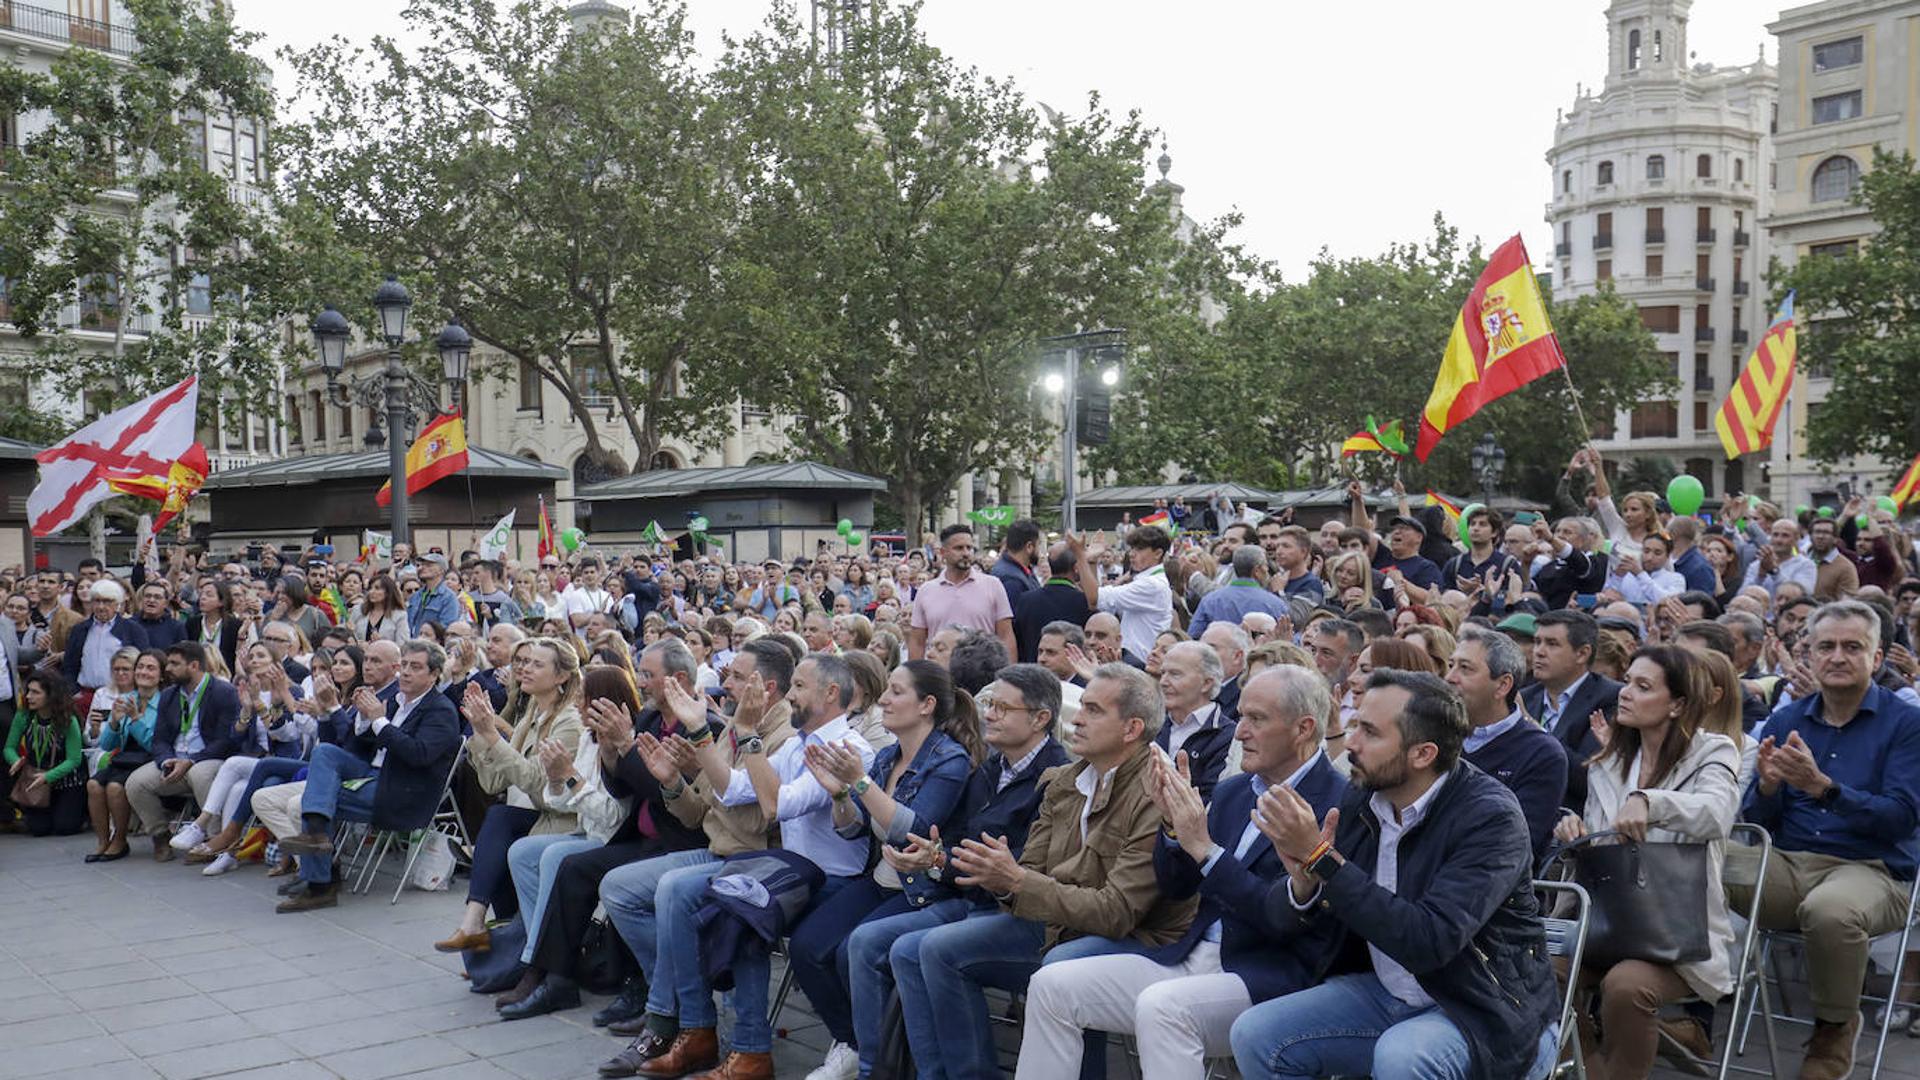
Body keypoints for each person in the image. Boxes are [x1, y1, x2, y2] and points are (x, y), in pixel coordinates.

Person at [1015, 666, 1347, 1080]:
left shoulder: (1339, 804)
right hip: (1190, 953)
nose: (1239, 732)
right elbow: (1176, 887)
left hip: (1270, 972)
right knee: (1052, 986)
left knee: (1164, 1008)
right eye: (1240, 715)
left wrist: (1205, 851)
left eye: (1256, 719)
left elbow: (1281, 920)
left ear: (1303, 729)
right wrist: (1173, 829)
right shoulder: (1234, 791)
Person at [1229, 669, 1560, 1080]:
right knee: (1256, 1033)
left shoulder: (1490, 817)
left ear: (1422, 754)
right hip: (1387, 993)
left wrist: (1321, 858)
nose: (1349, 743)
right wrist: (1303, 881)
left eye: (1369, 732)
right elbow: (1284, 919)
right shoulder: (1361, 798)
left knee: (1402, 1057)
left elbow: (1428, 942)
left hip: (1482, 1010)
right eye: (1354, 726)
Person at [891, 664, 1196, 1080]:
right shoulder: (1064, 781)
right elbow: (1027, 877)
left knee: (1062, 965)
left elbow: (1117, 913)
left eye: (1093, 709)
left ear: (1131, 729)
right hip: (1058, 922)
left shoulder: (1153, 793)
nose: (1077, 718)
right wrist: (996, 877)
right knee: (931, 949)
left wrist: (1015, 880)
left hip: (1135, 939)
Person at [603, 652, 876, 1080]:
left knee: (744, 906)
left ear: (831, 693)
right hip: (786, 872)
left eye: (800, 686)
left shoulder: (848, 748)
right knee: (678, 892)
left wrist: (746, 734)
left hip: (831, 883)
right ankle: (696, 1030)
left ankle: (751, 1052)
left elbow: (775, 806)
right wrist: (698, 730)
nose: (790, 694)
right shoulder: (801, 744)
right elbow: (731, 790)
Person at [1734, 601, 1920, 1080]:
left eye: (1852, 647)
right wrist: (1770, 787)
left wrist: (1825, 789)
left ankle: (1835, 1028)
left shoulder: (1906, 724)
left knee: (1830, 911)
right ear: (1809, 656)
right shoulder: (1786, 718)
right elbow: (1758, 819)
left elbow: (1900, 819)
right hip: (1789, 862)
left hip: (1873, 869)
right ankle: (1689, 1007)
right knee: (1697, 861)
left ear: (1876, 659)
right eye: (1826, 647)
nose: (1837, 656)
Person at [594, 640, 797, 1075]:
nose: (725, 683)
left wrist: (706, 762)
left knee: (674, 892)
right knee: (618, 887)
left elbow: (755, 825)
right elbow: (698, 813)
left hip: (755, 861)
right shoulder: (727, 730)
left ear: (769, 687)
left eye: (739, 676)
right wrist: (672, 782)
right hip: (715, 850)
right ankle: (686, 1004)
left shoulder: (783, 738)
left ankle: (681, 1024)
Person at [1554, 643, 1740, 1079]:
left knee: (1626, 985)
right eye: (1627, 682)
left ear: (1677, 704)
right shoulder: (1609, 762)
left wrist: (1650, 801)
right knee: (1539, 967)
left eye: (1642, 686)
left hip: (1676, 929)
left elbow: (1717, 813)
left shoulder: (1713, 751)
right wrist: (1578, 837)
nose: (1625, 693)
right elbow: (1603, 852)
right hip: (1612, 921)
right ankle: (1590, 1067)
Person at [787, 660, 981, 1080]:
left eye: (896, 691)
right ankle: (854, 1042)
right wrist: (839, 796)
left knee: (853, 950)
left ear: (927, 704)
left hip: (921, 890)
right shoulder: (889, 755)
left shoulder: (950, 760)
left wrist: (858, 783)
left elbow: (911, 832)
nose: (884, 699)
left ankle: (876, 1067)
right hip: (880, 880)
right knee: (805, 946)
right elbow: (854, 829)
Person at [253, 638, 463, 912]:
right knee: (326, 752)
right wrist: (362, 718)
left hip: (402, 788)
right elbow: (351, 744)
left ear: (434, 674)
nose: (407, 672)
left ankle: (320, 882)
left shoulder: (441, 709)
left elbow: (418, 755)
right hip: (373, 773)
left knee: (310, 801)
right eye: (406, 666)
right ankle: (317, 843)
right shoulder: (395, 699)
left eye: (417, 667)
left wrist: (378, 721)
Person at [438, 637, 585, 950]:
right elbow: (493, 783)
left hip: (564, 819)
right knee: (499, 824)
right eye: (525, 662)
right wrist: (480, 733)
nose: (525, 669)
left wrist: (492, 734)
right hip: (537, 813)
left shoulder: (569, 721)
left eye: (536, 664)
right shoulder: (533, 710)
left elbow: (535, 780)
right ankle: (497, 936)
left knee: (501, 825)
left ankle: (486, 929)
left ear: (561, 677)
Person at [1447, 625, 1568, 861]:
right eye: (1451, 665)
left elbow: (1516, 846)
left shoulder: (1541, 754)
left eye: (1465, 668)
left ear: (1502, 685)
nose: (1450, 677)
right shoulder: (1435, 736)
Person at [124, 643, 245, 859]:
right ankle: (160, 836)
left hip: (209, 758)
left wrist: (191, 761)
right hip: (175, 760)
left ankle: (213, 840)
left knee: (201, 774)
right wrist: (165, 761)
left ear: (194, 665)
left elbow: (225, 741)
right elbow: (160, 739)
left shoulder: (222, 692)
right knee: (136, 782)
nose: (168, 668)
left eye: (174, 663)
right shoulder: (170, 695)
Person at [1520, 610, 1622, 813]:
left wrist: (1531, 728)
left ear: (1582, 653)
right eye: (1537, 641)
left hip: (1574, 824)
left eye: (1552, 644)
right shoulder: (1525, 697)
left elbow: (1588, 777)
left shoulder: (1611, 698)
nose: (1538, 651)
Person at [85, 648, 166, 859]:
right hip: (125, 756)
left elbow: (154, 744)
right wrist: (113, 722)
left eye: (150, 668)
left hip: (148, 758)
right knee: (93, 785)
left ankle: (120, 840)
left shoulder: (165, 702)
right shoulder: (127, 697)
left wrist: (136, 719)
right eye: (140, 667)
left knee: (114, 788)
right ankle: (103, 840)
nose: (143, 672)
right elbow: (107, 744)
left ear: (161, 675)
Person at [908, 524, 1018, 664]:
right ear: (943, 552)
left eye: (969, 548)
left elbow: (1006, 636)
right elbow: (917, 641)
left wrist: (1008, 676)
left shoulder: (993, 585)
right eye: (959, 548)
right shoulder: (926, 591)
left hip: (982, 673)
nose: (966, 553)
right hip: (939, 676)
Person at [5, 671, 87, 835]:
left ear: (51, 695)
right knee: (39, 829)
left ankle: (82, 810)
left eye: (35, 692)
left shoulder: (67, 719)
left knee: (65, 827)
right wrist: (14, 760)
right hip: (36, 779)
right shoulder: (24, 716)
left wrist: (48, 777)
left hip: (66, 779)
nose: (28, 696)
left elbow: (74, 759)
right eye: (28, 691)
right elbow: (9, 748)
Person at [1157, 641, 1236, 801]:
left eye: (1175, 674)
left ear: (1206, 683)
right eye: (1162, 673)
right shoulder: (1151, 727)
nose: (1163, 682)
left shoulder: (1228, 736)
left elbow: (1212, 800)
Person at [1096, 525, 1175, 664]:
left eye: (1139, 549)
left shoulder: (1152, 585)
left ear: (1157, 553)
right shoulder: (1147, 580)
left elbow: (1094, 598)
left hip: (1141, 665)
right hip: (1135, 663)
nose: (1132, 553)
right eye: (1132, 548)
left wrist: (1086, 558)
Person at [63, 579, 150, 699]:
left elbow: (143, 663)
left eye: (107, 601)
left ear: (117, 604)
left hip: (120, 696)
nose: (101, 606)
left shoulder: (133, 630)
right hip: (85, 696)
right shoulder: (80, 630)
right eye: (97, 601)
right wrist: (73, 692)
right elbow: (70, 665)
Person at [1012, 541, 1097, 663]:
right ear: (1076, 568)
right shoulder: (1084, 602)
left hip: (1033, 673)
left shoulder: (1025, 600)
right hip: (1073, 673)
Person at [1189, 545, 1291, 641]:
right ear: (1256, 571)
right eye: (1265, 566)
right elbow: (1286, 640)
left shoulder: (1210, 600)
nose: (1267, 570)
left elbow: (1193, 636)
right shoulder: (1275, 604)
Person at [1744, 518, 1818, 599]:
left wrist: (1774, 572)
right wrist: (1760, 576)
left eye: (1785, 535)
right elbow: (1743, 596)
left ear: (1796, 539)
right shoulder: (1757, 565)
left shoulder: (1806, 565)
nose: (1778, 540)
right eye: (1775, 535)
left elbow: (1800, 595)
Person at [185, 578, 242, 673]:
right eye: (201, 594)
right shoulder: (193, 623)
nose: (202, 598)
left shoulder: (234, 625)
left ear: (221, 601)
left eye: (209, 595)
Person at [991, 519, 1043, 608]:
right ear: (1029, 547)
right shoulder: (1012, 580)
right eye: (1039, 545)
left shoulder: (1019, 571)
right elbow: (1015, 618)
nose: (1040, 552)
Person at [1807, 518, 1861, 601]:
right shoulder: (1801, 562)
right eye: (1817, 532)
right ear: (1810, 536)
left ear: (1835, 539)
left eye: (1826, 533)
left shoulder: (1846, 568)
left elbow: (1847, 603)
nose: (1820, 536)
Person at [408, 555, 464, 634]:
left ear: (441, 570)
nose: (421, 568)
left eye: (429, 565)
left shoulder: (448, 597)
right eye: (421, 565)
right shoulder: (415, 596)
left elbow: (446, 628)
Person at [352, 573, 409, 644]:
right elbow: (350, 637)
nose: (371, 592)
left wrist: (382, 643)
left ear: (388, 592)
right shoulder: (358, 610)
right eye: (370, 588)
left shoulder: (399, 615)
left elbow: (402, 645)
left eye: (377, 588)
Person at [132, 581, 185, 650]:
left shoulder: (176, 627)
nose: (151, 600)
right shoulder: (130, 624)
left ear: (165, 603)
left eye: (157, 597)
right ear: (142, 600)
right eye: (148, 596)